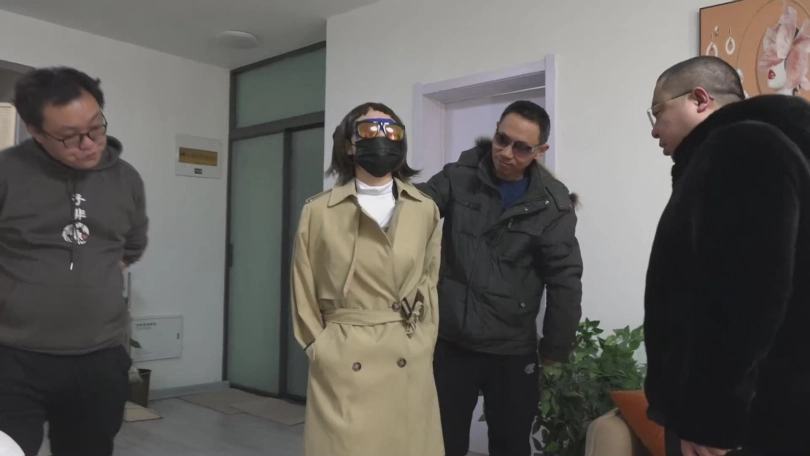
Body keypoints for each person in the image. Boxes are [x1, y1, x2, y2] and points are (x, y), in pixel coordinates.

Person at [644, 55, 810, 456]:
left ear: (700, 99)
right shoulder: (776, 144)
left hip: (747, 422)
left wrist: (709, 418)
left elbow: (745, 294)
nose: (654, 130)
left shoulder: (742, 146)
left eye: (657, 112)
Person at [417, 100, 583, 456]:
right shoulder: (459, 176)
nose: (506, 153)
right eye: (501, 139)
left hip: (511, 348)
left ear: (540, 151)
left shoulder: (552, 205)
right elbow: (415, 210)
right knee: (442, 444)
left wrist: (555, 349)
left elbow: (565, 279)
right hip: (452, 341)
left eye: (521, 147)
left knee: (511, 445)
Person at [0, 67, 148, 456]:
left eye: (96, 128)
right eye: (69, 136)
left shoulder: (127, 179)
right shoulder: (6, 172)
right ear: (35, 131)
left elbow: (131, 246)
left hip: (99, 359)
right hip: (11, 356)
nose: (88, 144)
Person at [290, 102, 443, 456]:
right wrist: (321, 348)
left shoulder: (424, 209)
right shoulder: (318, 212)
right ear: (349, 145)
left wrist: (424, 341)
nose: (382, 138)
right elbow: (302, 288)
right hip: (344, 357)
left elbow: (428, 283)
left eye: (392, 131)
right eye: (370, 130)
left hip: (406, 354)